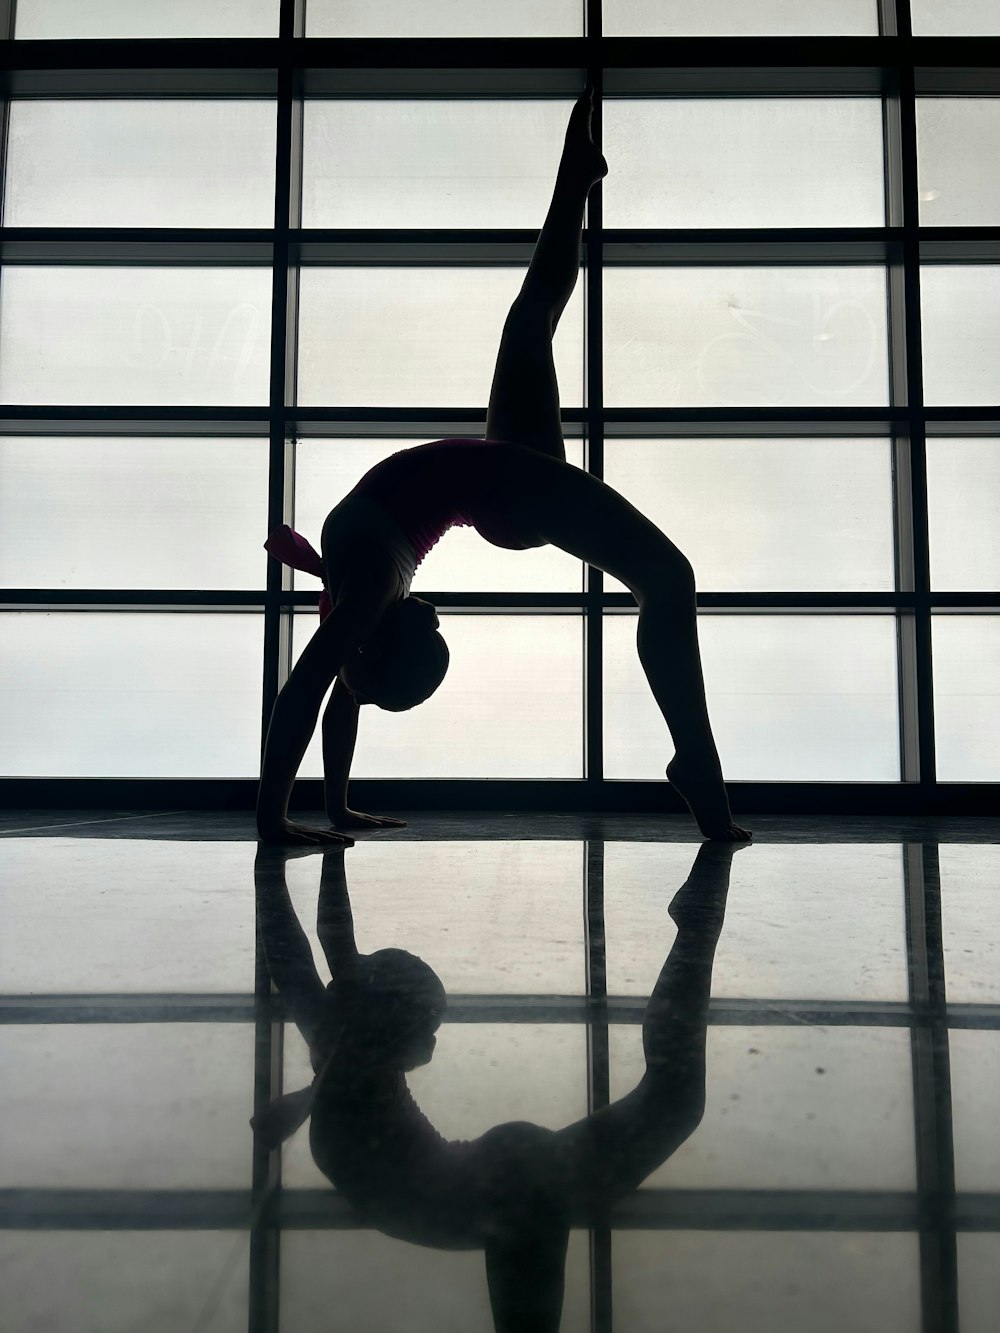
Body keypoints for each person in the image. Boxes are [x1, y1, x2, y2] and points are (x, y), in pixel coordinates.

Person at [257, 90, 750, 846]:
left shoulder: (365, 601)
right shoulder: (365, 597)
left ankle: (576, 176)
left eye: (433, 635)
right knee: (668, 577)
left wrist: (297, 815)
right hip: (501, 492)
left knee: (532, 324)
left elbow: (320, 692)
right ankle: (700, 768)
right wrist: (326, 805)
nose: (439, 617)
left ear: (390, 638)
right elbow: (340, 689)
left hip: (498, 490)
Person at [252, 838, 744, 1333]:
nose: (431, 1043)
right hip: (505, 1183)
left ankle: (697, 932)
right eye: (428, 1025)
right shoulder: (338, 1046)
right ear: (387, 1017)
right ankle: (697, 932)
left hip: (489, 1184)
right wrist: (277, 867)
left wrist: (308, 859)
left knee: (673, 1101)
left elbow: (328, 948)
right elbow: (306, 953)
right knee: (672, 1100)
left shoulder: (339, 1043)